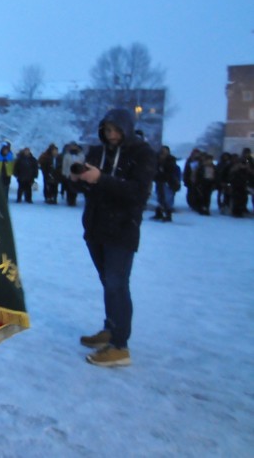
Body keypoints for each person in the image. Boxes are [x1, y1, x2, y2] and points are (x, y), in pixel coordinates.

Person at [71, 108, 155, 367]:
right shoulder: (98, 152)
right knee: (107, 282)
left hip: (122, 229)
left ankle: (120, 345)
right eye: (107, 130)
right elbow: (92, 189)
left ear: (127, 129)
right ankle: (111, 327)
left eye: (116, 130)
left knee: (117, 285)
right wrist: (79, 180)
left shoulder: (142, 154)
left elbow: (138, 193)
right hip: (96, 228)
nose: (111, 135)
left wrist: (102, 179)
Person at [151, 145, 179, 222]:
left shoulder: (171, 160)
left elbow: (170, 170)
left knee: (167, 198)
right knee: (160, 197)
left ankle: (168, 214)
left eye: (165, 151)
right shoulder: (157, 159)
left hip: (167, 181)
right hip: (159, 180)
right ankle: (159, 213)